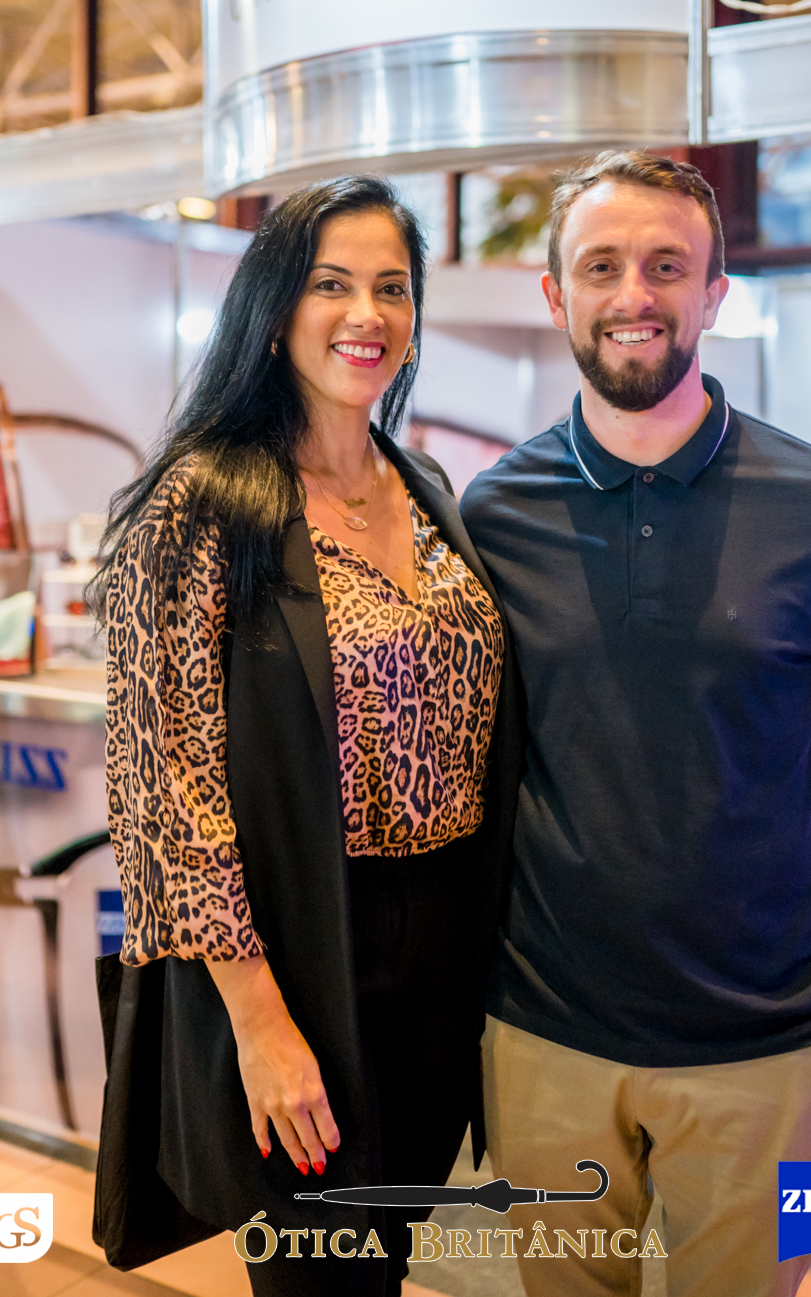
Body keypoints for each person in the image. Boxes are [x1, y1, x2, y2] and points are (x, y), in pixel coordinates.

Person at [460, 149, 811, 1297]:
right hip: (540, 1042)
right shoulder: (492, 513)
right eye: (603, 265)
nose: (635, 294)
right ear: (556, 294)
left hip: (766, 1052)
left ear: (712, 293)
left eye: (667, 265)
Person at [96, 176, 520, 1295]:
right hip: (296, 946)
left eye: (392, 286)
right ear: (275, 308)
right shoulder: (198, 502)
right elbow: (162, 792)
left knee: (378, 1267)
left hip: (436, 950)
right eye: (331, 285)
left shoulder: (423, 484)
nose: (365, 314)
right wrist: (260, 1024)